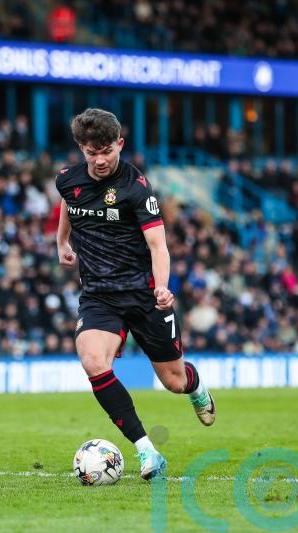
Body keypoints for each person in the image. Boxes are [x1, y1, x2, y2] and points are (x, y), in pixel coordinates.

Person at [56, 108, 215, 481]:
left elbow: (159, 246)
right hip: (98, 296)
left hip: (143, 295)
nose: (99, 160)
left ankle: (197, 387)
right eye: (90, 152)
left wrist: (162, 285)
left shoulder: (136, 188)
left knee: (173, 381)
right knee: (94, 361)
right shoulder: (67, 179)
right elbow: (69, 203)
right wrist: (62, 241)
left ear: (119, 145)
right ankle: (147, 450)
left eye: (106, 151)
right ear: (81, 148)